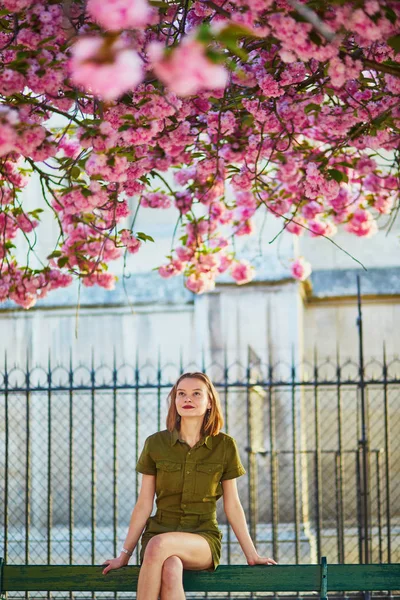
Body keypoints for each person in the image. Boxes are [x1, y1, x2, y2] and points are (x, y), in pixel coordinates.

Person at [102, 372, 277, 599]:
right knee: (171, 567)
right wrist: (124, 556)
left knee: (158, 545)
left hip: (202, 539)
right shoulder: (155, 443)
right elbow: (144, 504)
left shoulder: (224, 446)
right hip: (160, 533)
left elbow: (233, 505)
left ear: (209, 401)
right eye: (181, 394)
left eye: (196, 394)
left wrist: (251, 554)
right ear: (174, 400)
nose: (188, 399)